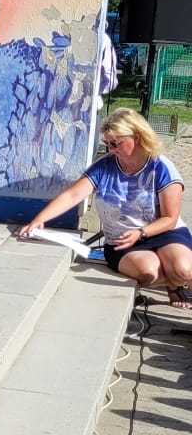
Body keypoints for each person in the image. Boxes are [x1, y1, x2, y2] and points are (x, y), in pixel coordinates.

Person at [20, 107, 192, 303]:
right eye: (107, 143)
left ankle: (177, 280)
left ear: (136, 137)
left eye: (115, 143)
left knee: (183, 269)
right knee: (149, 273)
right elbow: (73, 195)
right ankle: (172, 282)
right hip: (122, 239)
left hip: (163, 232)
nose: (110, 149)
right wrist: (39, 219)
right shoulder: (105, 165)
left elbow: (170, 218)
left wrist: (141, 232)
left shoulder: (161, 166)